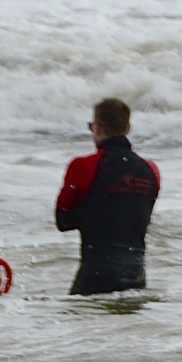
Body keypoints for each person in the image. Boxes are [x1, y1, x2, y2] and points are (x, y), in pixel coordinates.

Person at [55, 99, 160, 297]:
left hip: (96, 273)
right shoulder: (151, 170)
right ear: (127, 128)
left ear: (97, 127)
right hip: (136, 275)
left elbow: (63, 220)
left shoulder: (83, 166)